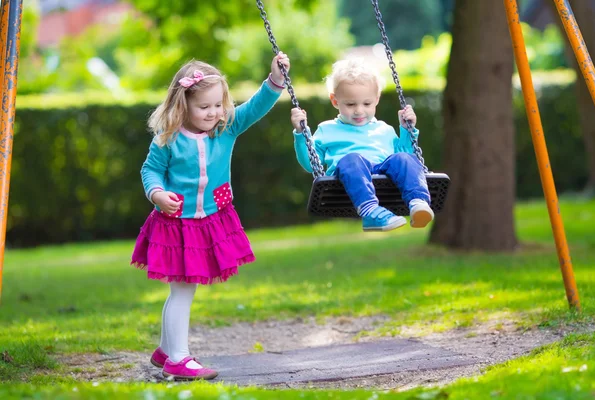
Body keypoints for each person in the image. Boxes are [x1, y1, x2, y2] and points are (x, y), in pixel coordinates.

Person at [131, 53, 290, 380]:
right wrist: (157, 194)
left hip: (211, 220)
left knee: (180, 291)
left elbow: (256, 106)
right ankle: (178, 358)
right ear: (182, 105)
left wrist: (275, 79)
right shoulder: (168, 137)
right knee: (182, 292)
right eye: (204, 107)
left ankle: (165, 350)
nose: (214, 112)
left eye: (218, 104)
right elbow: (151, 171)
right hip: (177, 226)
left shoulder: (226, 128)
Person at [291, 58, 434, 232]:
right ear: (335, 101)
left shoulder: (385, 129)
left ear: (376, 99)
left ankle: (418, 202)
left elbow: (404, 157)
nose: (359, 110)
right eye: (350, 104)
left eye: (366, 103)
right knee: (352, 159)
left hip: (383, 176)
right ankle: (371, 211)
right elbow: (311, 164)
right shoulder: (326, 129)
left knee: (405, 158)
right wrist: (301, 133)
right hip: (348, 177)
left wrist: (407, 130)